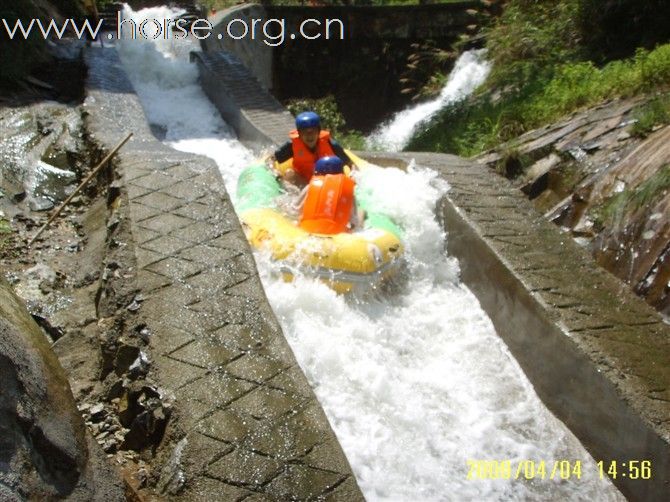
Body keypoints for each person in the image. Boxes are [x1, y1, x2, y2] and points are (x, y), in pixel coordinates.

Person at [272, 111, 354, 186]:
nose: (309, 136)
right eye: (305, 132)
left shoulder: (330, 144)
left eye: (313, 132)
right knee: (289, 173)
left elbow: (350, 163)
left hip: (327, 182)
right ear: (299, 134)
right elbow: (271, 159)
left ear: (318, 132)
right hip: (303, 183)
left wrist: (352, 175)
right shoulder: (291, 146)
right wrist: (274, 172)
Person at [298, 156, 365, 235]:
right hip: (336, 234)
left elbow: (295, 210)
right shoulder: (348, 190)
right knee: (362, 211)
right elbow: (353, 221)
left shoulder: (310, 187)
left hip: (308, 230)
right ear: (341, 173)